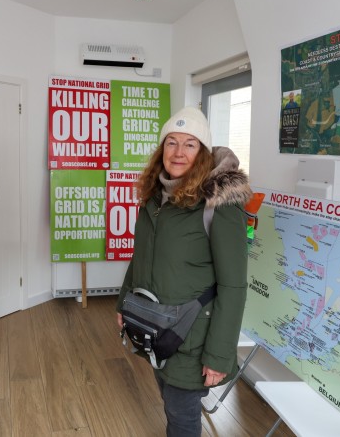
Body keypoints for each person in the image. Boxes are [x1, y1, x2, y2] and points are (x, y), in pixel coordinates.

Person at [116, 106, 251, 437]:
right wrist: (123, 304)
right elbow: (140, 257)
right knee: (168, 397)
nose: (178, 152)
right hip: (156, 325)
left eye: (189, 144)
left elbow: (234, 285)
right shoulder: (155, 197)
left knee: (181, 414)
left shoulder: (218, 204)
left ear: (202, 152)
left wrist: (218, 355)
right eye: (171, 142)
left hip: (193, 335)